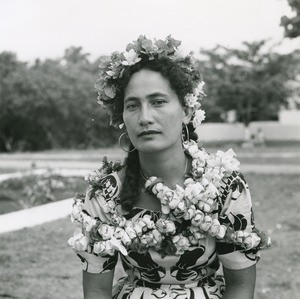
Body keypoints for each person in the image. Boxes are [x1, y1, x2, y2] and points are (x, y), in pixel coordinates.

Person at [68, 35, 271, 299]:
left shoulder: (224, 185)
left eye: (158, 101)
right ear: (122, 118)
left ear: (186, 110)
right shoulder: (105, 194)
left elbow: (241, 286)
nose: (145, 117)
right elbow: (96, 291)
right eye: (133, 106)